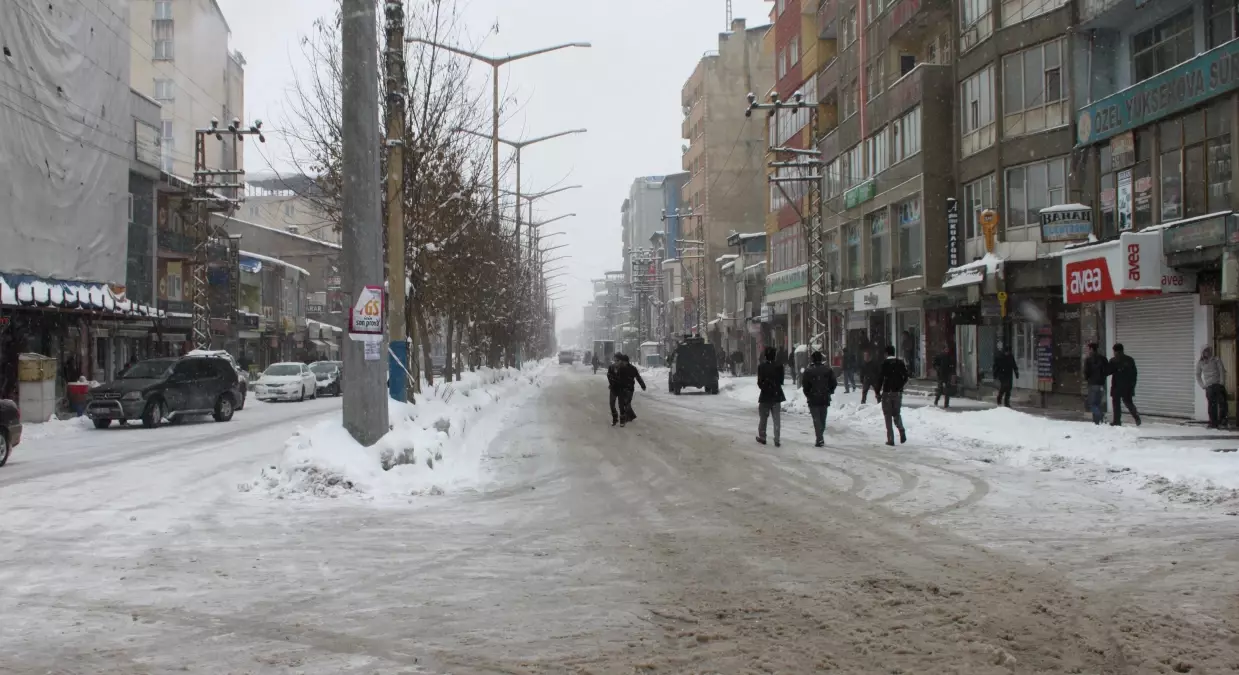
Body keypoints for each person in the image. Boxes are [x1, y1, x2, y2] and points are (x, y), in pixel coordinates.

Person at [801, 351, 838, 448]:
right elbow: (834, 383)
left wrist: (808, 394)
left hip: (813, 398)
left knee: (816, 419)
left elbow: (805, 385)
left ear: (812, 359)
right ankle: (820, 435)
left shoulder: (808, 371)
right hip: (824, 397)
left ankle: (819, 438)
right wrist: (829, 391)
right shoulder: (828, 370)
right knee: (822, 418)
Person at [874, 345, 909, 446]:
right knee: (897, 413)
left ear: (886, 353)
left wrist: (877, 392)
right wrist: (900, 386)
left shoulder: (884, 364)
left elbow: (880, 379)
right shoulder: (900, 363)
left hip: (887, 392)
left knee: (887, 415)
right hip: (897, 393)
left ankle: (890, 439)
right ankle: (901, 429)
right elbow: (906, 376)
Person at [756, 346, 785, 447]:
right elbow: (781, 381)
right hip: (777, 395)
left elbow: (759, 383)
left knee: (763, 418)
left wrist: (765, 387)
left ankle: (762, 437)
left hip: (765, 395)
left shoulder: (761, 367)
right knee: (776, 419)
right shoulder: (779, 366)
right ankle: (777, 439)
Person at [609, 353, 646, 427]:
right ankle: (627, 417)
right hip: (619, 388)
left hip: (628, 388)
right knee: (622, 404)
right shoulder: (616, 367)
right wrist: (612, 382)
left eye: (621, 361)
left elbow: (637, 377)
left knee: (625, 403)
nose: (621, 362)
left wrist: (642, 385)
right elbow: (612, 375)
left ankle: (627, 417)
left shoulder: (630, 368)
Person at [1109, 343, 1141, 426]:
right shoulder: (1130, 359)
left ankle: (1117, 421)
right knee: (1128, 402)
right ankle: (1136, 417)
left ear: (1115, 351)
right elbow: (1134, 374)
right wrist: (1132, 385)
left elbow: (1108, 371)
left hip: (1117, 385)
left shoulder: (1113, 360)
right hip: (1127, 386)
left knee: (1116, 404)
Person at [1196, 345, 1228, 429]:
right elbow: (1197, 375)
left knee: (1222, 403)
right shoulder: (1201, 363)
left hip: (1218, 384)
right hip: (1209, 387)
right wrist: (1202, 385)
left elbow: (1221, 371)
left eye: (1208, 350)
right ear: (1202, 353)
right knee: (1211, 405)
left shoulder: (1216, 359)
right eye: (1205, 351)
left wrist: (1222, 382)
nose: (1207, 352)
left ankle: (1223, 420)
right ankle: (1213, 422)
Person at [1083, 342, 1109, 425]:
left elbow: (1086, 372)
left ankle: (1100, 416)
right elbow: (1107, 371)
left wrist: (1087, 379)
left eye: (1088, 349)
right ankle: (1097, 421)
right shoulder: (1103, 359)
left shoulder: (1089, 359)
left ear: (1091, 349)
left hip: (1093, 384)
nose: (1088, 351)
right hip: (1101, 384)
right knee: (1098, 403)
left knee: (1092, 404)